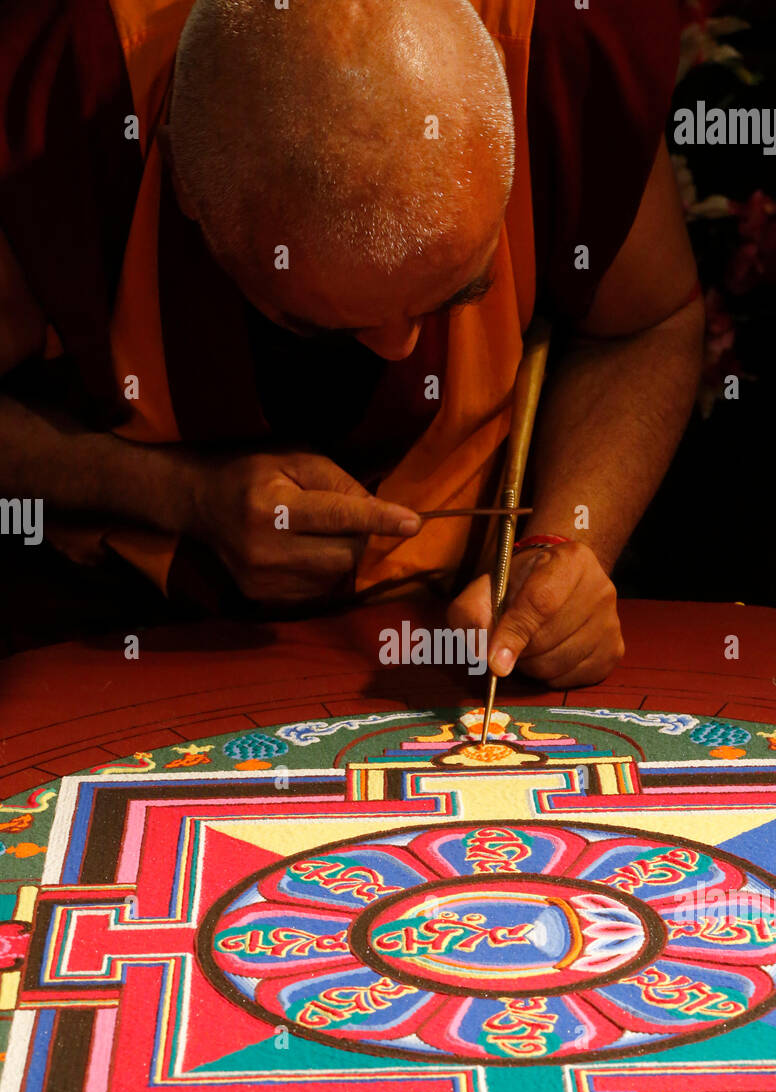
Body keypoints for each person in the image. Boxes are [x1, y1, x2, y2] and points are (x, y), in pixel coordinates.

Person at [0, 0, 704, 685]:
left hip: (451, 642)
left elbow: (646, 323)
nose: (400, 353)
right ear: (181, 172)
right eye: (319, 324)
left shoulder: (551, 36)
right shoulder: (70, 83)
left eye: (461, 291)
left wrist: (559, 544)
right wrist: (178, 495)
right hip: (118, 639)